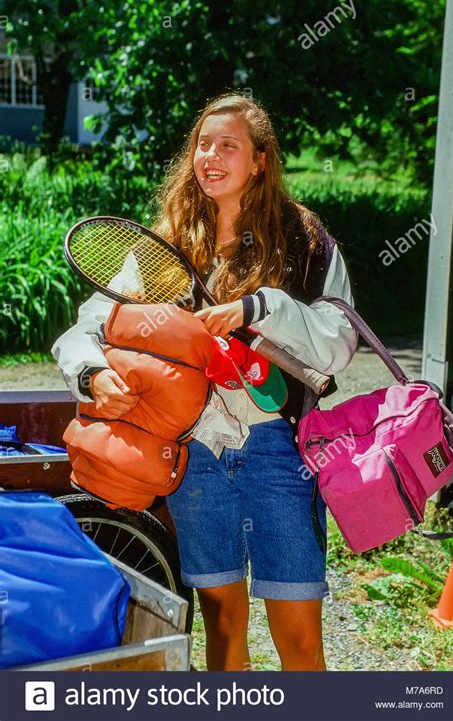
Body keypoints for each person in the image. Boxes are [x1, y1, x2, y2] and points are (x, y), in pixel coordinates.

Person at [52, 93, 358, 672]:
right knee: (221, 634)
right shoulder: (162, 244)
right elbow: (85, 329)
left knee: (299, 642)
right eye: (202, 143)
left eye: (229, 145)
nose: (209, 155)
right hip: (195, 456)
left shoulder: (306, 238)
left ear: (261, 160)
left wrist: (259, 307)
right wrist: (93, 375)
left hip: (279, 452)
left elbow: (339, 342)